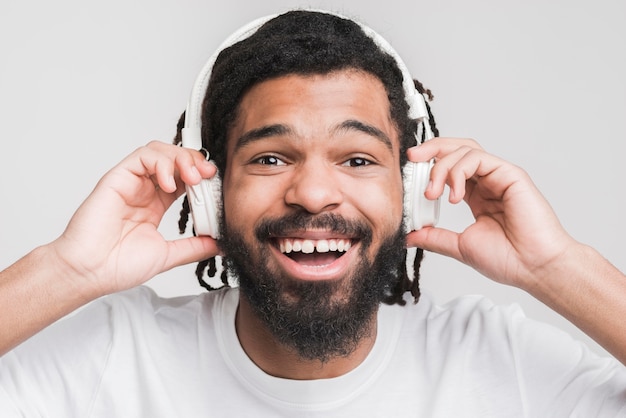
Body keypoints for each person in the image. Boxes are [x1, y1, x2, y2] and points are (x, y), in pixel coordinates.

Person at [1, 9, 625, 416]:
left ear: (410, 191)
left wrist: (557, 266)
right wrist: (66, 270)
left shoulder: (498, 362)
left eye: (357, 160)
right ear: (210, 195)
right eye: (271, 158)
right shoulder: (111, 357)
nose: (313, 193)